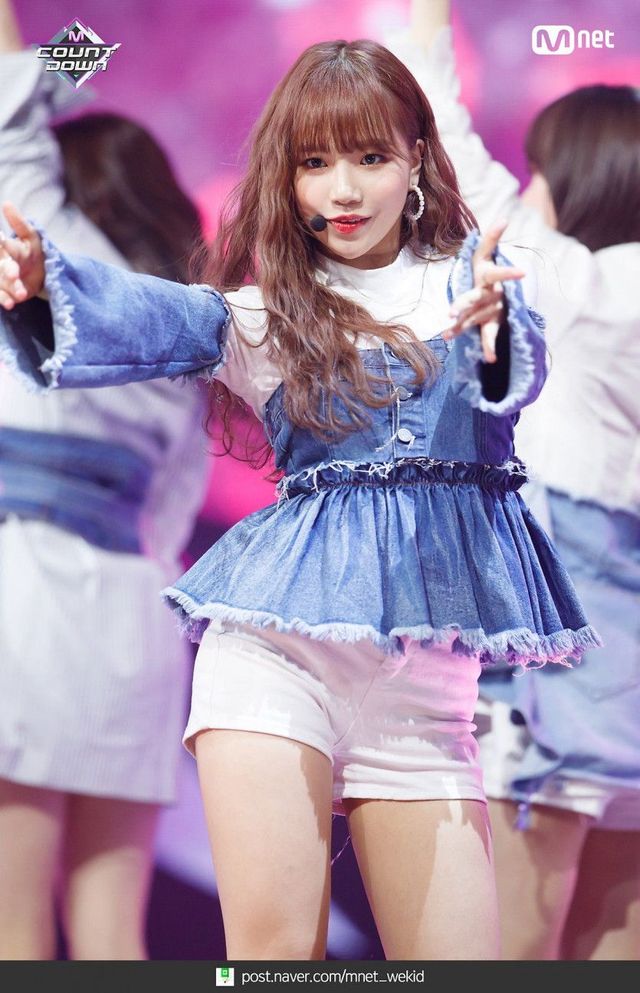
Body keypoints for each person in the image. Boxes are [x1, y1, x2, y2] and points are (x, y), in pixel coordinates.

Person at [0, 31, 601, 962]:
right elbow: (152, 313)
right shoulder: (260, 314)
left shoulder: (477, 287)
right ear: (285, 178)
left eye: (369, 158)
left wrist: (495, 337)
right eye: (314, 164)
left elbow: (508, 374)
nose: (343, 190)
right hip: (269, 666)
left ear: (416, 160)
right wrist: (45, 281)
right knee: (274, 961)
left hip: (425, 700)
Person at [389, 0, 640, 961]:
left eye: (539, 170)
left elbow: (438, 134)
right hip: (626, 671)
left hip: (552, 665)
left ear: (578, 183)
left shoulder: (574, 284)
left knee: (505, 952)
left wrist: (427, 13)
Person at [0, 0, 210, 961]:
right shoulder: (178, 322)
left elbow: (9, 104)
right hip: (138, 617)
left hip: (30, 594)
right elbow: (172, 513)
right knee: (112, 935)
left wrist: (73, 54)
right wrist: (89, 48)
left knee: (13, 931)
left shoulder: (52, 254)